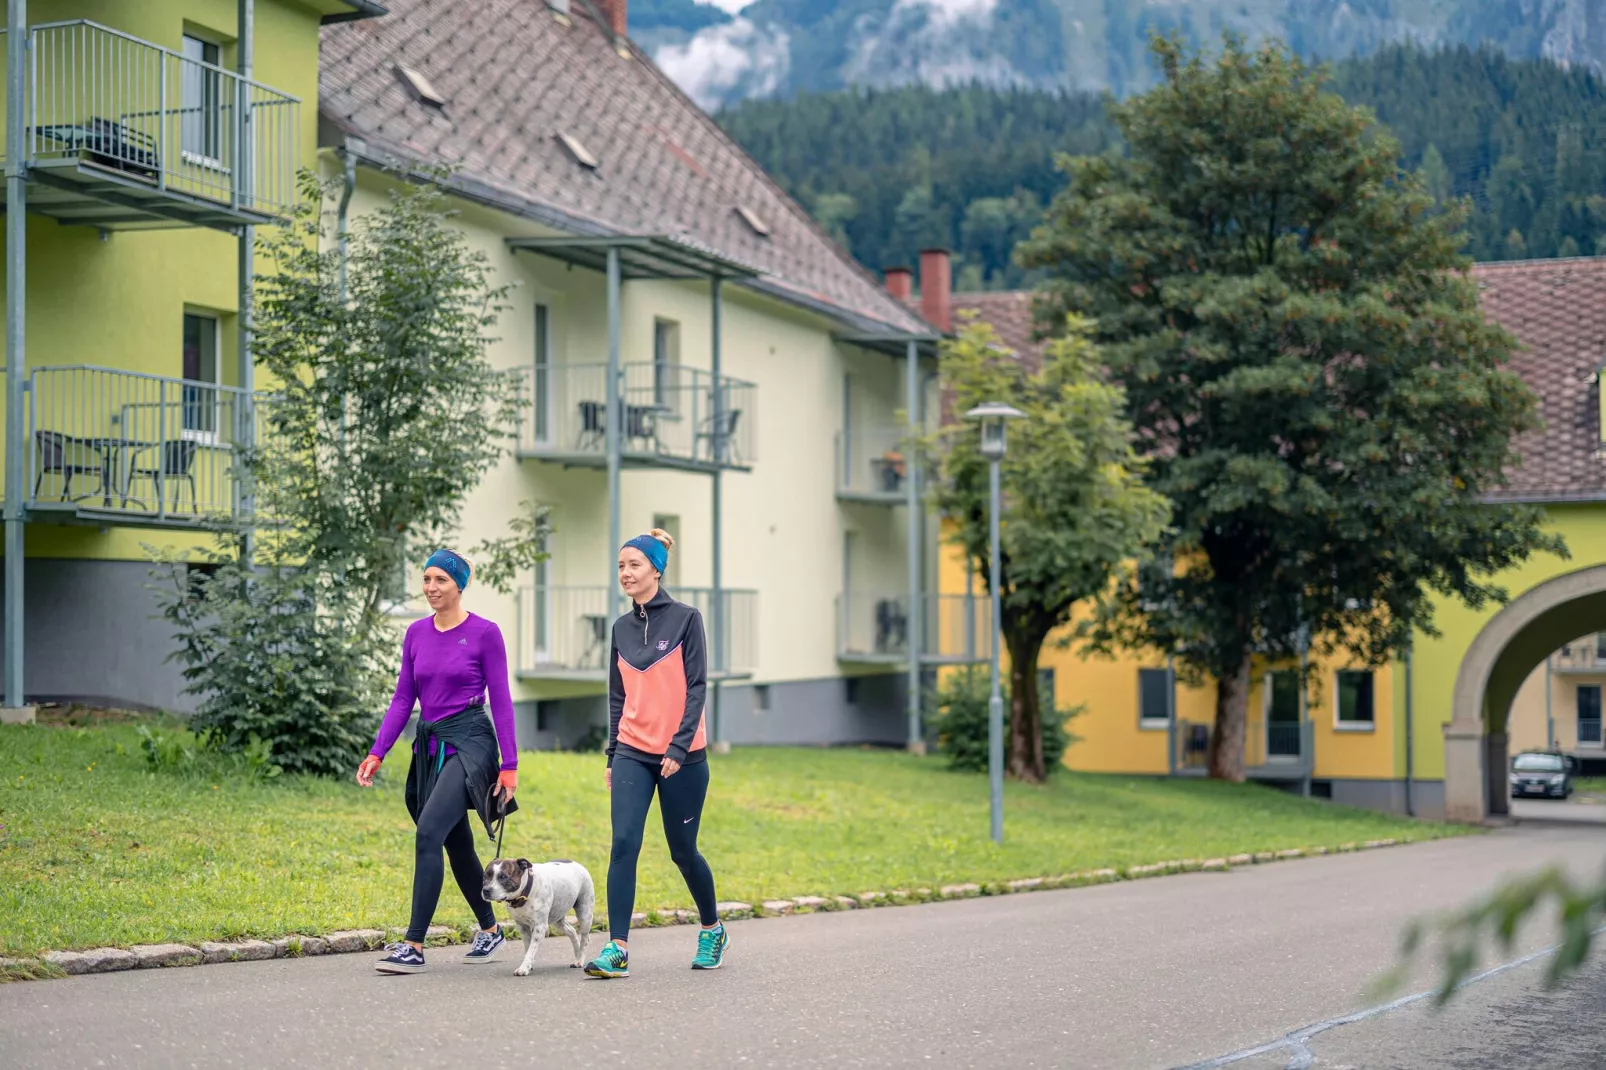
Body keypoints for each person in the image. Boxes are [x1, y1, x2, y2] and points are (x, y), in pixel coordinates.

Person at [356, 548, 519, 975]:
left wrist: (510, 765)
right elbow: (403, 699)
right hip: (431, 745)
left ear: (459, 585)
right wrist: (378, 751)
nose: (431, 588)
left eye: (441, 580)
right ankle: (489, 929)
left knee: (429, 832)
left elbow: (501, 702)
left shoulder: (485, 633)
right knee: (455, 840)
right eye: (427, 579)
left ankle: (413, 944)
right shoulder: (415, 633)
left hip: (471, 740)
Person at [584, 529, 728, 978]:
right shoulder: (620, 628)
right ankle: (617, 948)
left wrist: (679, 746)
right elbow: (616, 696)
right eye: (621, 566)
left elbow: (698, 687)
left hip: (682, 755)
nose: (625, 574)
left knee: (683, 852)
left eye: (634, 565)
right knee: (623, 844)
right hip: (632, 751)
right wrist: (612, 752)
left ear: (656, 570)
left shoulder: (686, 619)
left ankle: (712, 928)